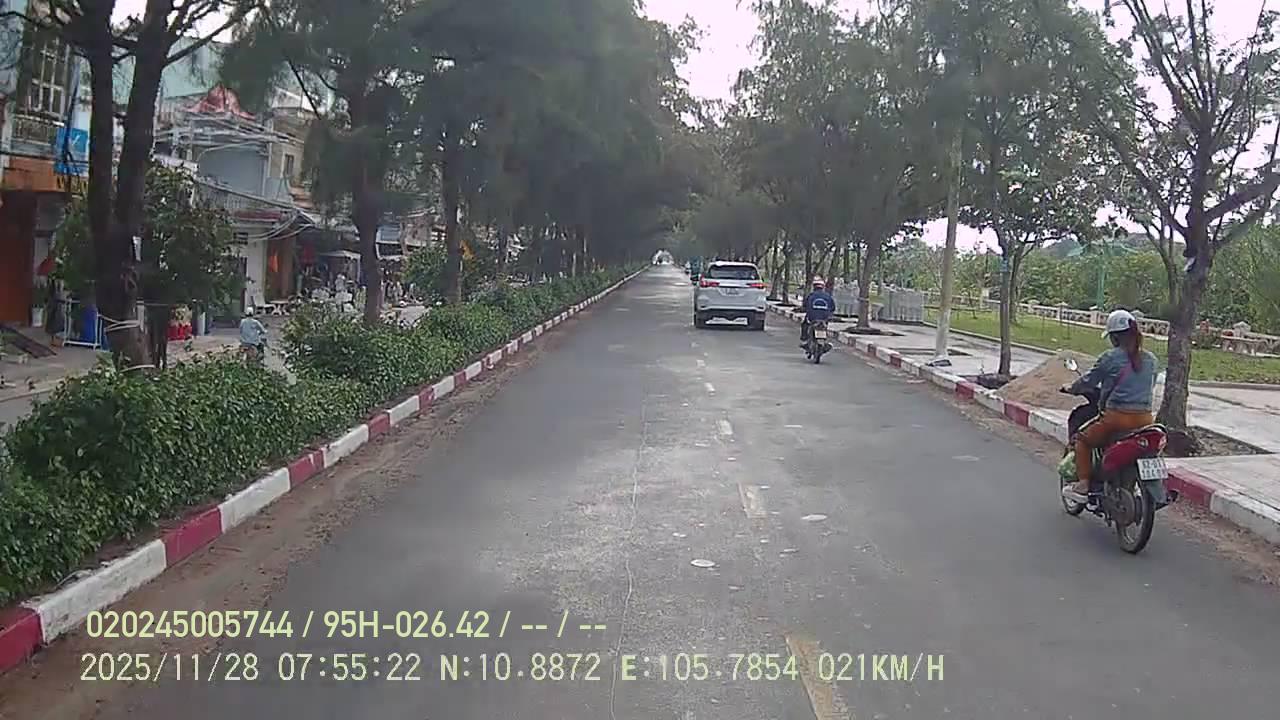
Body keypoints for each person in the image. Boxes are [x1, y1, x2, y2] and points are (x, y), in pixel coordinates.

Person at [1062, 309, 1158, 500]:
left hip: (1116, 419)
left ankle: (1083, 484)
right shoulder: (1151, 360)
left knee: (1082, 440)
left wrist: (1071, 388)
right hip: (1146, 420)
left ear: (1114, 337)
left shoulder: (1110, 357)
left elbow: (1089, 381)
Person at [800, 277, 836, 347]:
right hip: (824, 318)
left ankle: (804, 339)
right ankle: (825, 341)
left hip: (812, 318)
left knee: (804, 324)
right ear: (823, 287)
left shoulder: (811, 295)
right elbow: (833, 308)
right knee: (825, 325)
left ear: (814, 287)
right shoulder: (828, 296)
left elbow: (805, 305)